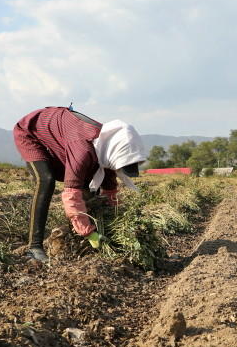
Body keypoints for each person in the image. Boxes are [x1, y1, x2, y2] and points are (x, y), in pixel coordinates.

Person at [13, 106, 146, 262]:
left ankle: (82, 239)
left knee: (90, 187)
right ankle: (34, 247)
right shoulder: (83, 151)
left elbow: (111, 190)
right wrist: (88, 231)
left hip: (62, 138)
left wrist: (118, 222)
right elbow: (71, 195)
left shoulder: (108, 149)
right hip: (32, 132)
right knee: (46, 181)